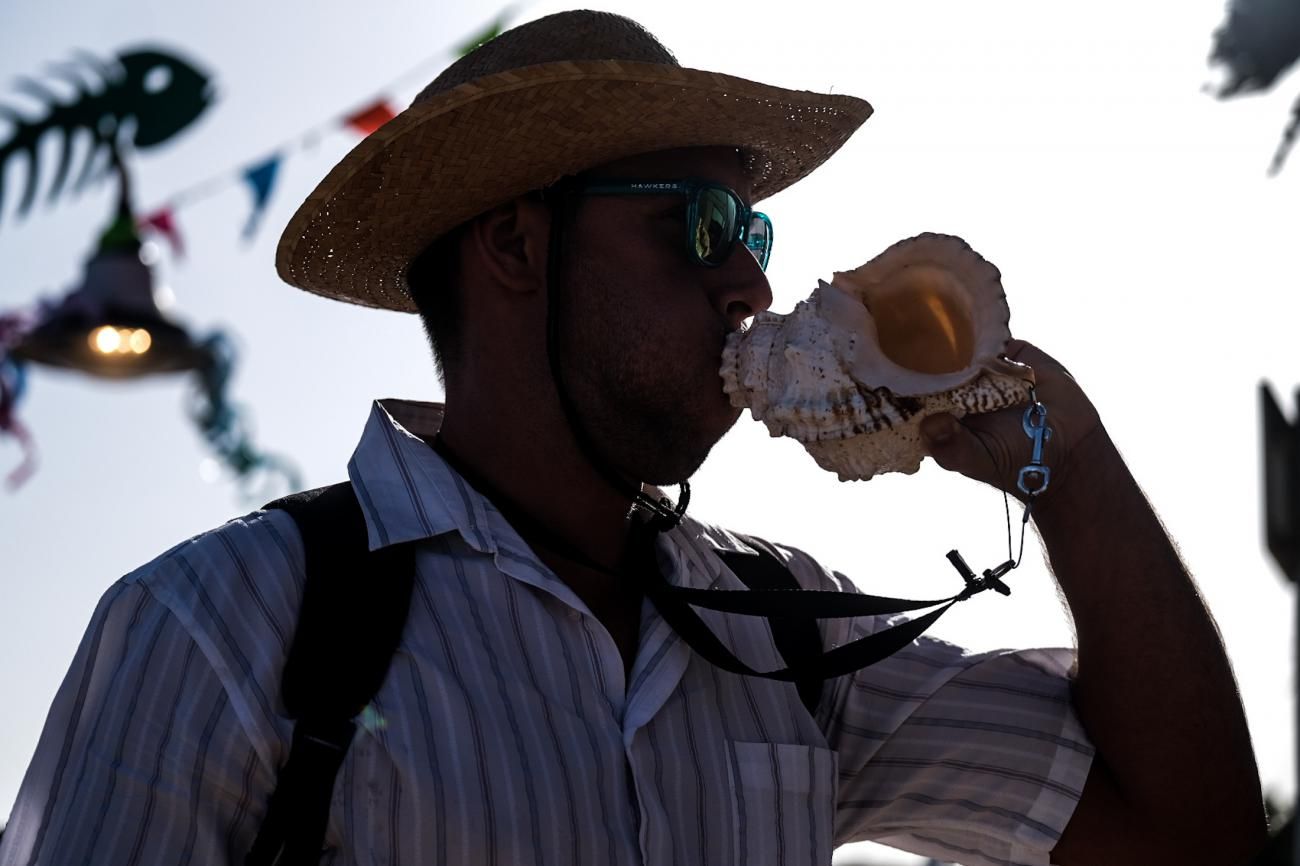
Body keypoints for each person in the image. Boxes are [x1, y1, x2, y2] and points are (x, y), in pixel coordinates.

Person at [0, 10, 1267, 866]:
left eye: (755, 236)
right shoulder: (223, 625)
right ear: (513, 244)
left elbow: (1188, 832)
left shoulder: (786, 633)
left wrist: (1070, 465)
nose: (752, 287)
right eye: (703, 225)